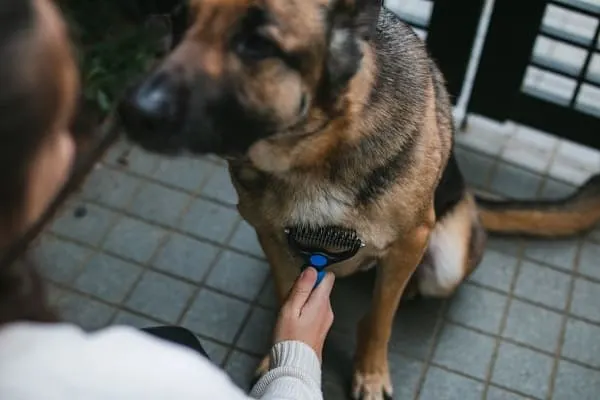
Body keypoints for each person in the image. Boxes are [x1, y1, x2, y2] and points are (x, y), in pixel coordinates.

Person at [0, 0, 335, 399]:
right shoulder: (158, 380)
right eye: (63, 124)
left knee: (177, 338)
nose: (75, 144)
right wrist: (298, 361)